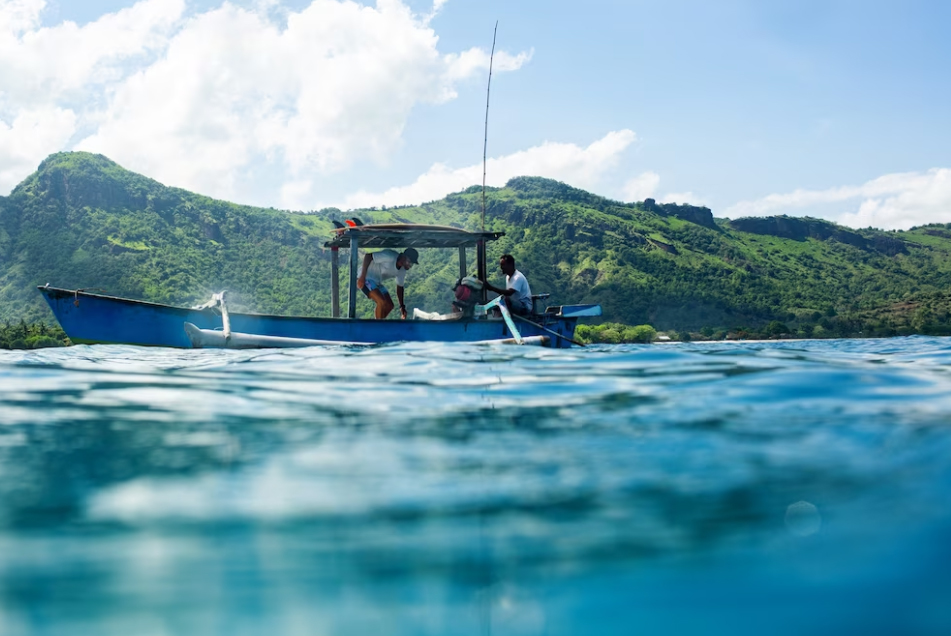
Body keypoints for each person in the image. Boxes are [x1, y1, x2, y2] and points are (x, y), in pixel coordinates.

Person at [356, 248, 419, 319]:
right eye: (410, 262)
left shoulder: (402, 270)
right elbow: (368, 256)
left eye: (412, 264)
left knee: (389, 305)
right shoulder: (390, 256)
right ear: (404, 257)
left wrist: (402, 306)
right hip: (365, 277)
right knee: (381, 302)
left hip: (377, 281)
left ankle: (377, 324)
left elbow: (400, 287)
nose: (410, 266)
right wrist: (362, 277)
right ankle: (378, 327)